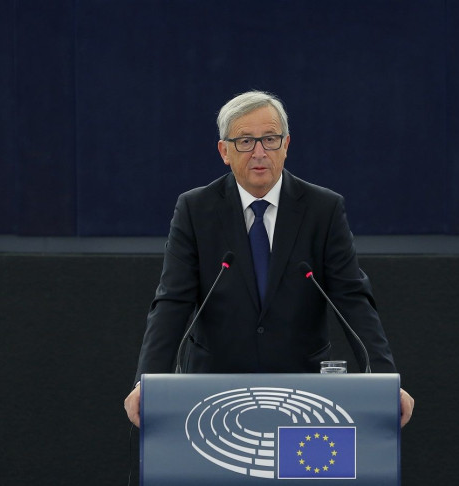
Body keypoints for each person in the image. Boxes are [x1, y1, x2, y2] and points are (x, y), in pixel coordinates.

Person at [124, 90, 414, 426]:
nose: (260, 152)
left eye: (270, 139)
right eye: (245, 141)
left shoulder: (323, 209)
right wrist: (147, 381)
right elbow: (172, 302)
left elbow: (353, 300)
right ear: (224, 151)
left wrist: (384, 379)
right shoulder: (196, 210)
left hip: (302, 392)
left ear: (286, 145)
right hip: (211, 392)